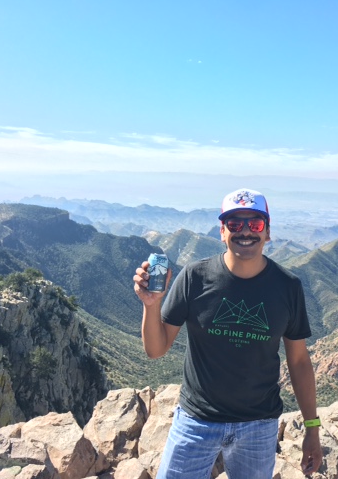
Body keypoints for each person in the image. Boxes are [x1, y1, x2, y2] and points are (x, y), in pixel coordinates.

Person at [133, 188, 322, 478]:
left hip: (259, 426)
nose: (245, 231)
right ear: (222, 231)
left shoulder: (288, 286)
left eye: (255, 224)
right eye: (234, 224)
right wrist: (151, 305)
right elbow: (155, 350)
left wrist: (312, 429)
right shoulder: (194, 277)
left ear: (267, 232)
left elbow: (298, 361)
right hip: (197, 421)